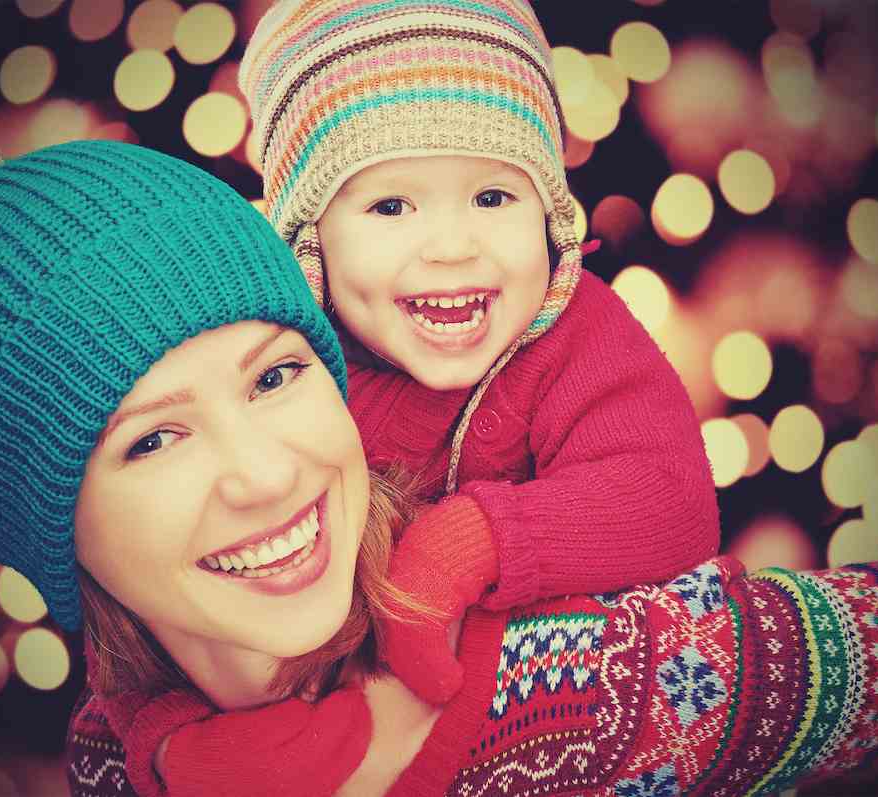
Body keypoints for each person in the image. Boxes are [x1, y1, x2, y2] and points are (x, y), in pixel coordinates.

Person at [0, 141, 878, 797]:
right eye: (152, 437)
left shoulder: (593, 669)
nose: (265, 473)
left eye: (278, 374)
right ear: (35, 526)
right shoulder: (108, 766)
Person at [236, 0, 722, 704]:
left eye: (493, 196)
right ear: (310, 240)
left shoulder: (576, 333)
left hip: (554, 696)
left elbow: (673, 501)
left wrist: (472, 541)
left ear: (549, 211)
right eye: (391, 206)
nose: (454, 247)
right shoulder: (278, 366)